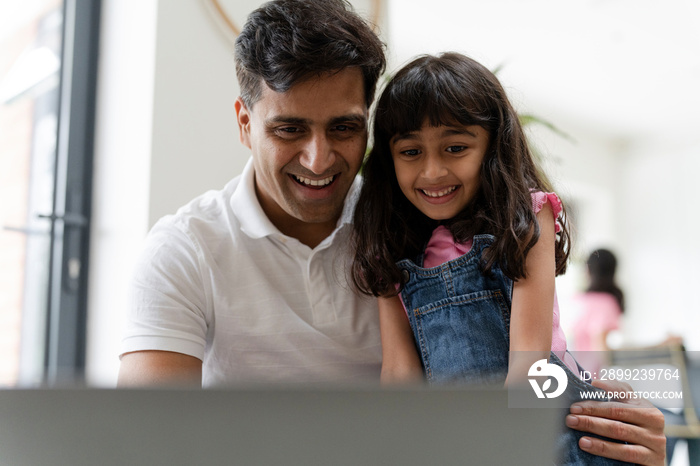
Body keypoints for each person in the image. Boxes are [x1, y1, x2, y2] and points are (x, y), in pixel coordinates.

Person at [117, 1, 665, 464]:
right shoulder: (184, 251)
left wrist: (623, 429)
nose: (318, 157)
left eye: (345, 127)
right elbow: (147, 445)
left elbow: (532, 363)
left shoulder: (402, 224)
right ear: (244, 123)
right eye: (289, 129)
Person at [349, 52, 662, 464]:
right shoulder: (391, 248)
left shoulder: (528, 218)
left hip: (548, 426)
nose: (432, 171)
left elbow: (528, 365)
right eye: (410, 152)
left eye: (455, 147)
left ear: (492, 145)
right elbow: (399, 372)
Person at [572, 248, 624, 353]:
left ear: (588, 270)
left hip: (576, 365)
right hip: (594, 368)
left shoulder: (578, 299)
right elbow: (600, 346)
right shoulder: (607, 302)